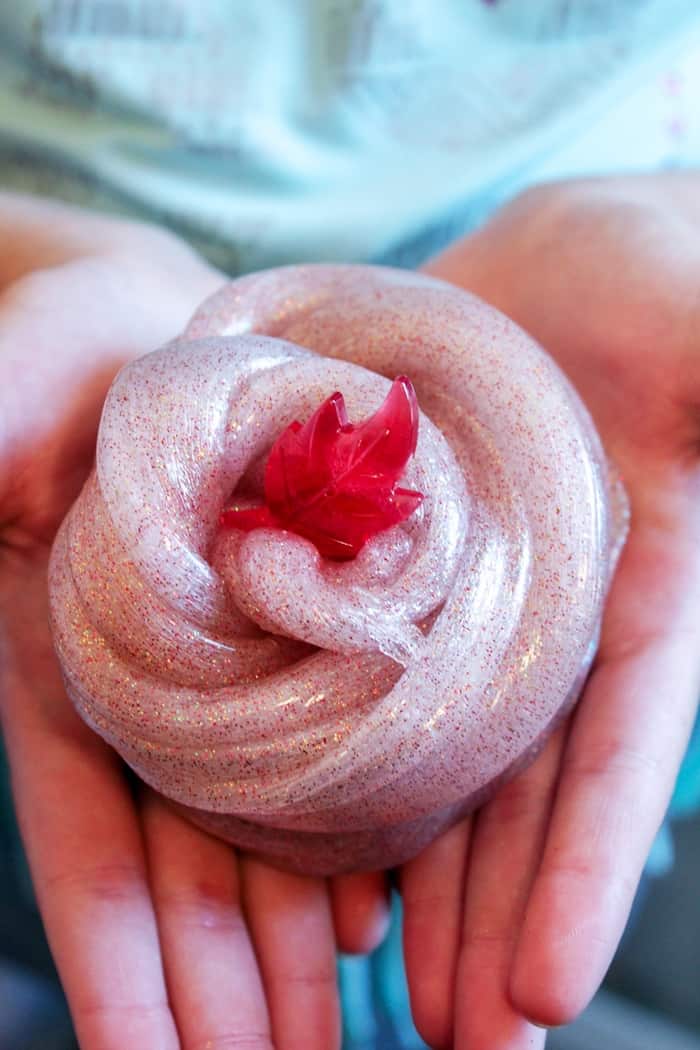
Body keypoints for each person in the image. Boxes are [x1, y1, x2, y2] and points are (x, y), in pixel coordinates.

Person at [1, 4, 699, 1049]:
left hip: (571, 438)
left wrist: (674, 210)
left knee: (538, 888)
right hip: (73, 467)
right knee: (85, 924)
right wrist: (20, 250)